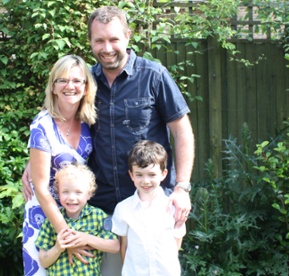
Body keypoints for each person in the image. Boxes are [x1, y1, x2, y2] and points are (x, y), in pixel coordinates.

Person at [23, 6, 195, 275]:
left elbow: (182, 131)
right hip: (100, 208)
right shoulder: (85, 82)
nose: (107, 47)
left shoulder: (154, 75)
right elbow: (60, 122)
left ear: (127, 36)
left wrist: (182, 188)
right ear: (91, 42)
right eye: (99, 40)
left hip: (148, 203)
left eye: (114, 39)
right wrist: (35, 161)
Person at [21, 54, 98, 276]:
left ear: (85, 87)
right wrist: (67, 236)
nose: (70, 86)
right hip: (45, 217)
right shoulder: (42, 125)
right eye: (62, 80)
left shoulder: (87, 121)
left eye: (77, 81)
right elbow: (42, 188)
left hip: (75, 213)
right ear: (53, 87)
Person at [111, 140, 186, 276]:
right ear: (131, 175)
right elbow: (124, 245)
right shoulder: (123, 209)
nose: (145, 181)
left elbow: (177, 242)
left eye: (152, 175)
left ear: (163, 174)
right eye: (139, 174)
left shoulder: (173, 208)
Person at [36, 163, 120, 275]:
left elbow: (114, 246)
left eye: (78, 192)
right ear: (58, 193)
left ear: (89, 194)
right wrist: (58, 248)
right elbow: (43, 261)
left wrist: (87, 238)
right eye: (65, 192)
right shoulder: (51, 221)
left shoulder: (98, 216)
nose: (71, 198)